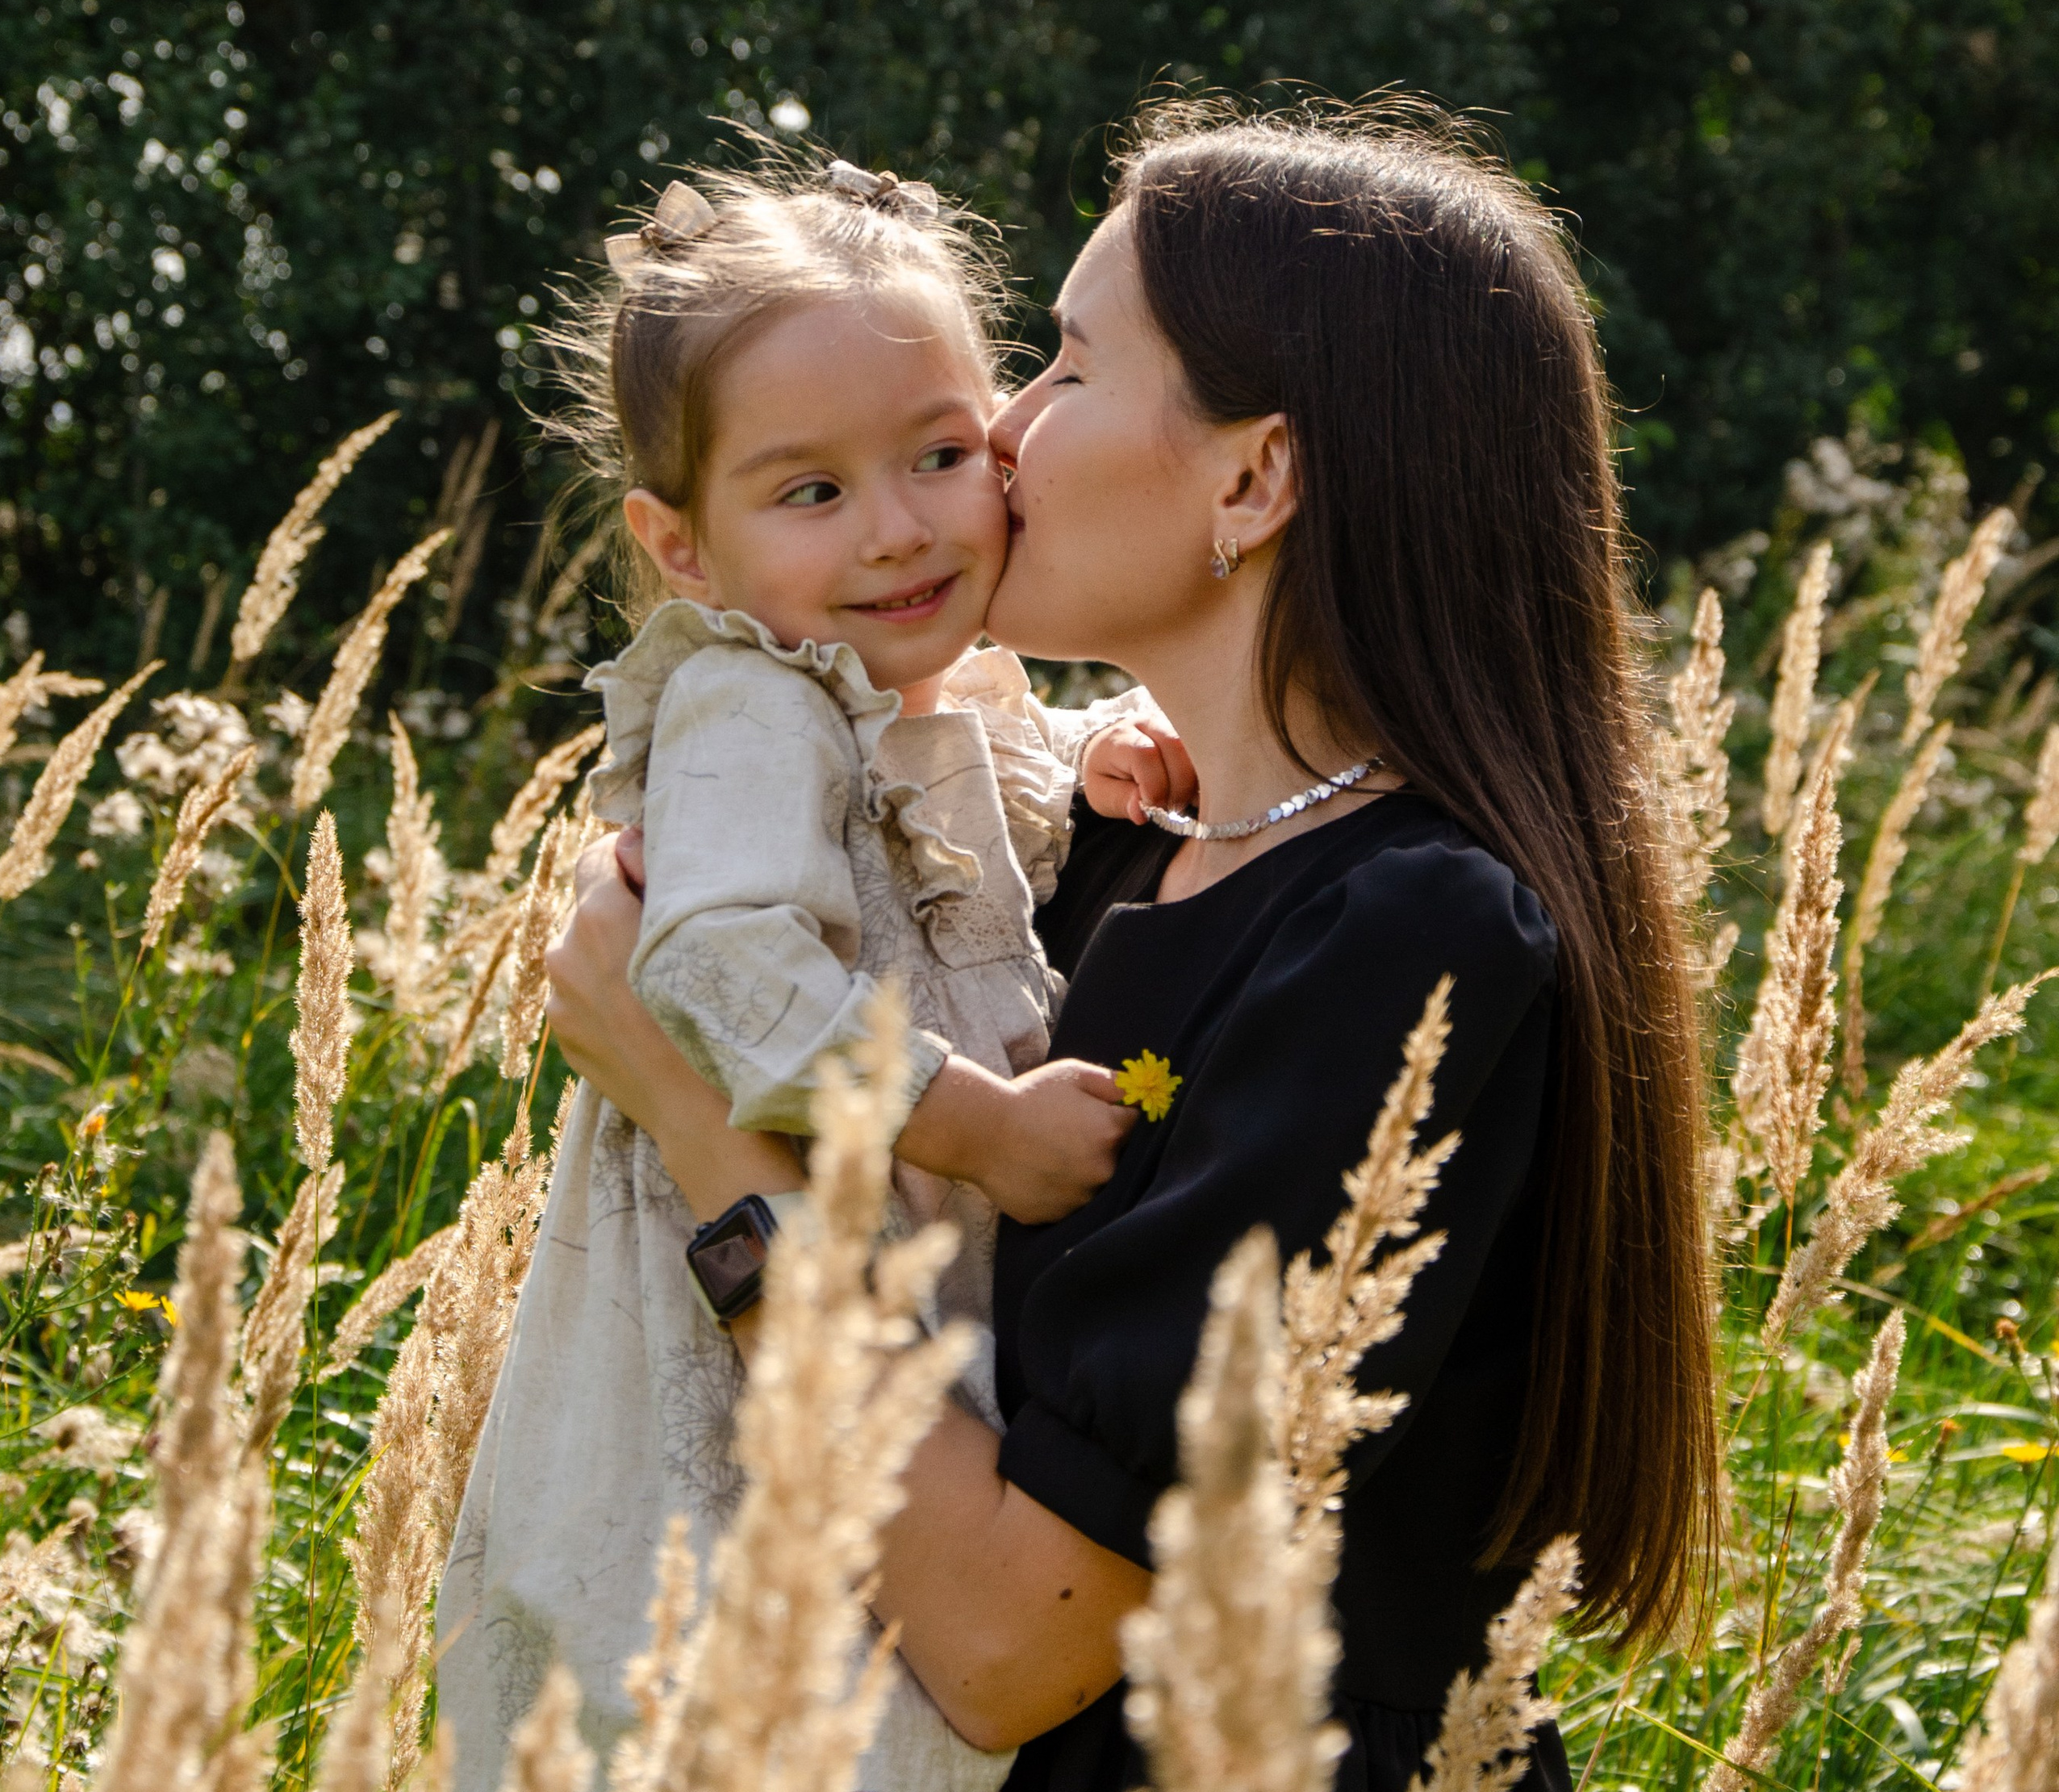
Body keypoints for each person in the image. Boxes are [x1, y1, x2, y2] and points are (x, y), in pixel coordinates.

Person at [543, 102, 1718, 1792]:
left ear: (1251, 475)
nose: (999, 434)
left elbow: (1010, 1640)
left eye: (1066, 373)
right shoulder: (1097, 850)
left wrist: (709, 1134)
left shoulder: (1401, 942)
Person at [437, 153, 1200, 1792]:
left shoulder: (918, 688)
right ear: (682, 547)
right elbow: (713, 962)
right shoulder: (747, 705)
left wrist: (1089, 758)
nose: (900, 525)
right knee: (747, 1645)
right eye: (811, 492)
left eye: (937, 452)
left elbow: (946, 843)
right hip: (747, 1276)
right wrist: (973, 1122)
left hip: (875, 1284)